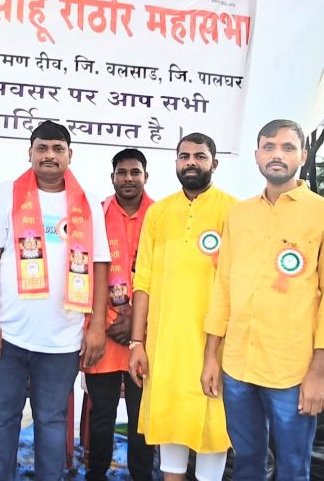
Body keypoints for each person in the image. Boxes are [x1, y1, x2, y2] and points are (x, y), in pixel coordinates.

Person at [0, 120, 111, 481]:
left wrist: (96, 327)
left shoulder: (87, 204)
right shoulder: (6, 193)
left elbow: (100, 268)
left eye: (57, 149)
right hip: (6, 336)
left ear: (70, 155)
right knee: (1, 419)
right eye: (42, 148)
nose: (49, 155)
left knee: (52, 421)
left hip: (62, 340)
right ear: (30, 153)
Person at [201, 119, 324, 479]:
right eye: (269, 146)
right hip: (238, 363)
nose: (277, 155)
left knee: (291, 465)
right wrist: (212, 355)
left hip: (291, 370)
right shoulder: (239, 215)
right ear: (256, 155)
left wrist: (318, 372)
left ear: (303, 155)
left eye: (287, 147)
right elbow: (223, 285)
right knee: (247, 460)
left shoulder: (319, 213)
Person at [129, 133, 235, 481]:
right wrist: (137, 342)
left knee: (212, 431)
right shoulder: (158, 213)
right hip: (165, 344)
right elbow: (142, 280)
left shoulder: (232, 211)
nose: (191, 162)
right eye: (184, 156)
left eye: (200, 157)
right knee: (169, 427)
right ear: (175, 163)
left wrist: (215, 351)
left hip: (213, 346)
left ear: (214, 164)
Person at [83, 148, 155, 481]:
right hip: (104, 334)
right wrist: (111, 322)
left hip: (146, 338)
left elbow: (166, 277)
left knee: (143, 416)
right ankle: (95, 474)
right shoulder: (94, 215)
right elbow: (83, 275)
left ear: (145, 176)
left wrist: (137, 324)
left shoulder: (161, 216)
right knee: (102, 416)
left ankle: (141, 475)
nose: (128, 178)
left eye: (135, 172)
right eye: (122, 173)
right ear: (112, 177)